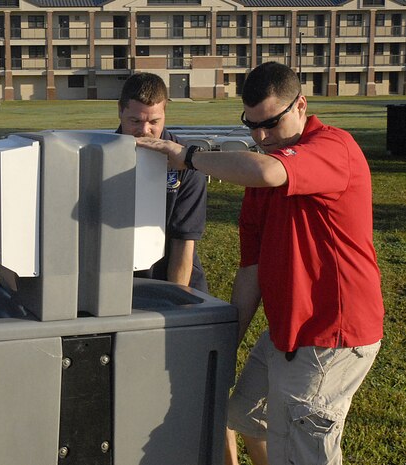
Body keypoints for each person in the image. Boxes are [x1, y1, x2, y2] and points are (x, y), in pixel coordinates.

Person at [136, 61, 384, 465]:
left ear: (300, 105)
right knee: (245, 416)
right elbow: (250, 270)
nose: (261, 136)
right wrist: (228, 339)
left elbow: (271, 171)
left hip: (332, 333)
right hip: (287, 330)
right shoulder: (257, 179)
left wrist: (188, 156)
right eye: (251, 125)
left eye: (270, 123)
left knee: (304, 450)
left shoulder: (332, 148)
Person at [117, 72, 208, 292]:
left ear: (165, 112)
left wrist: (176, 302)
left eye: (154, 122)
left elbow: (184, 241)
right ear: (120, 111)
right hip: (119, 276)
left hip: (174, 276)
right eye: (135, 121)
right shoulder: (98, 156)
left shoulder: (186, 163)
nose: (145, 131)